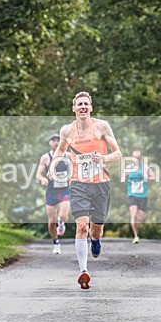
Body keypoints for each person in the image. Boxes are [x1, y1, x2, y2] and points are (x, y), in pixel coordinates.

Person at [49, 91, 121, 289]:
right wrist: (53, 165)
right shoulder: (67, 131)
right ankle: (83, 271)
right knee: (82, 226)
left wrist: (104, 159)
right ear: (73, 108)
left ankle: (96, 239)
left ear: (91, 108)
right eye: (79, 104)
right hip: (78, 184)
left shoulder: (101, 126)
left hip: (101, 184)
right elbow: (61, 150)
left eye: (86, 104)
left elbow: (118, 153)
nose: (82, 107)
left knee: (96, 229)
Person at [36, 133, 71, 254]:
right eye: (53, 140)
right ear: (50, 143)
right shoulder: (45, 158)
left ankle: (61, 223)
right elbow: (38, 174)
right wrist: (42, 179)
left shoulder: (68, 156)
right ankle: (56, 243)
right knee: (51, 221)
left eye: (58, 140)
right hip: (51, 191)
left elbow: (76, 169)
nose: (56, 142)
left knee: (62, 215)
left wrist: (73, 178)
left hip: (64, 190)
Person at [121, 150, 155, 243]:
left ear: (140, 158)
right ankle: (136, 235)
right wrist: (124, 177)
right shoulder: (128, 168)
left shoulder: (145, 167)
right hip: (132, 194)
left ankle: (137, 232)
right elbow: (123, 179)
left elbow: (153, 177)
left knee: (140, 217)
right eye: (134, 157)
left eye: (138, 157)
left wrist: (147, 178)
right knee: (134, 214)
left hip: (143, 195)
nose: (136, 159)